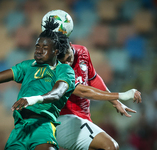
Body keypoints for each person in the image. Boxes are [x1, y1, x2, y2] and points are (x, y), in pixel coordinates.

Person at [0, 18, 76, 150]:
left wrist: (31, 100)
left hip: (42, 125)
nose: (38, 50)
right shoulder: (27, 66)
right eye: (37, 46)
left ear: (56, 52)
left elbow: (57, 93)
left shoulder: (64, 69)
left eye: (44, 48)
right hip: (19, 130)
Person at [42, 10, 142, 150]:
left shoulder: (82, 51)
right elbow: (83, 91)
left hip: (81, 119)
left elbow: (93, 79)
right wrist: (121, 95)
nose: (68, 64)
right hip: (61, 119)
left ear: (70, 46)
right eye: (63, 62)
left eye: (69, 58)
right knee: (110, 146)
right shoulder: (50, 67)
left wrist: (115, 102)